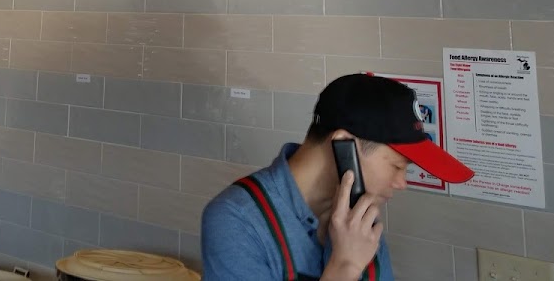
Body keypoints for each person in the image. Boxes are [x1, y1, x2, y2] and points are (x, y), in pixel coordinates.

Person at [200, 74, 474, 281]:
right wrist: (345, 267)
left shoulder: (361, 217)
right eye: (396, 166)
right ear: (344, 145)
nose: (402, 183)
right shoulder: (237, 219)